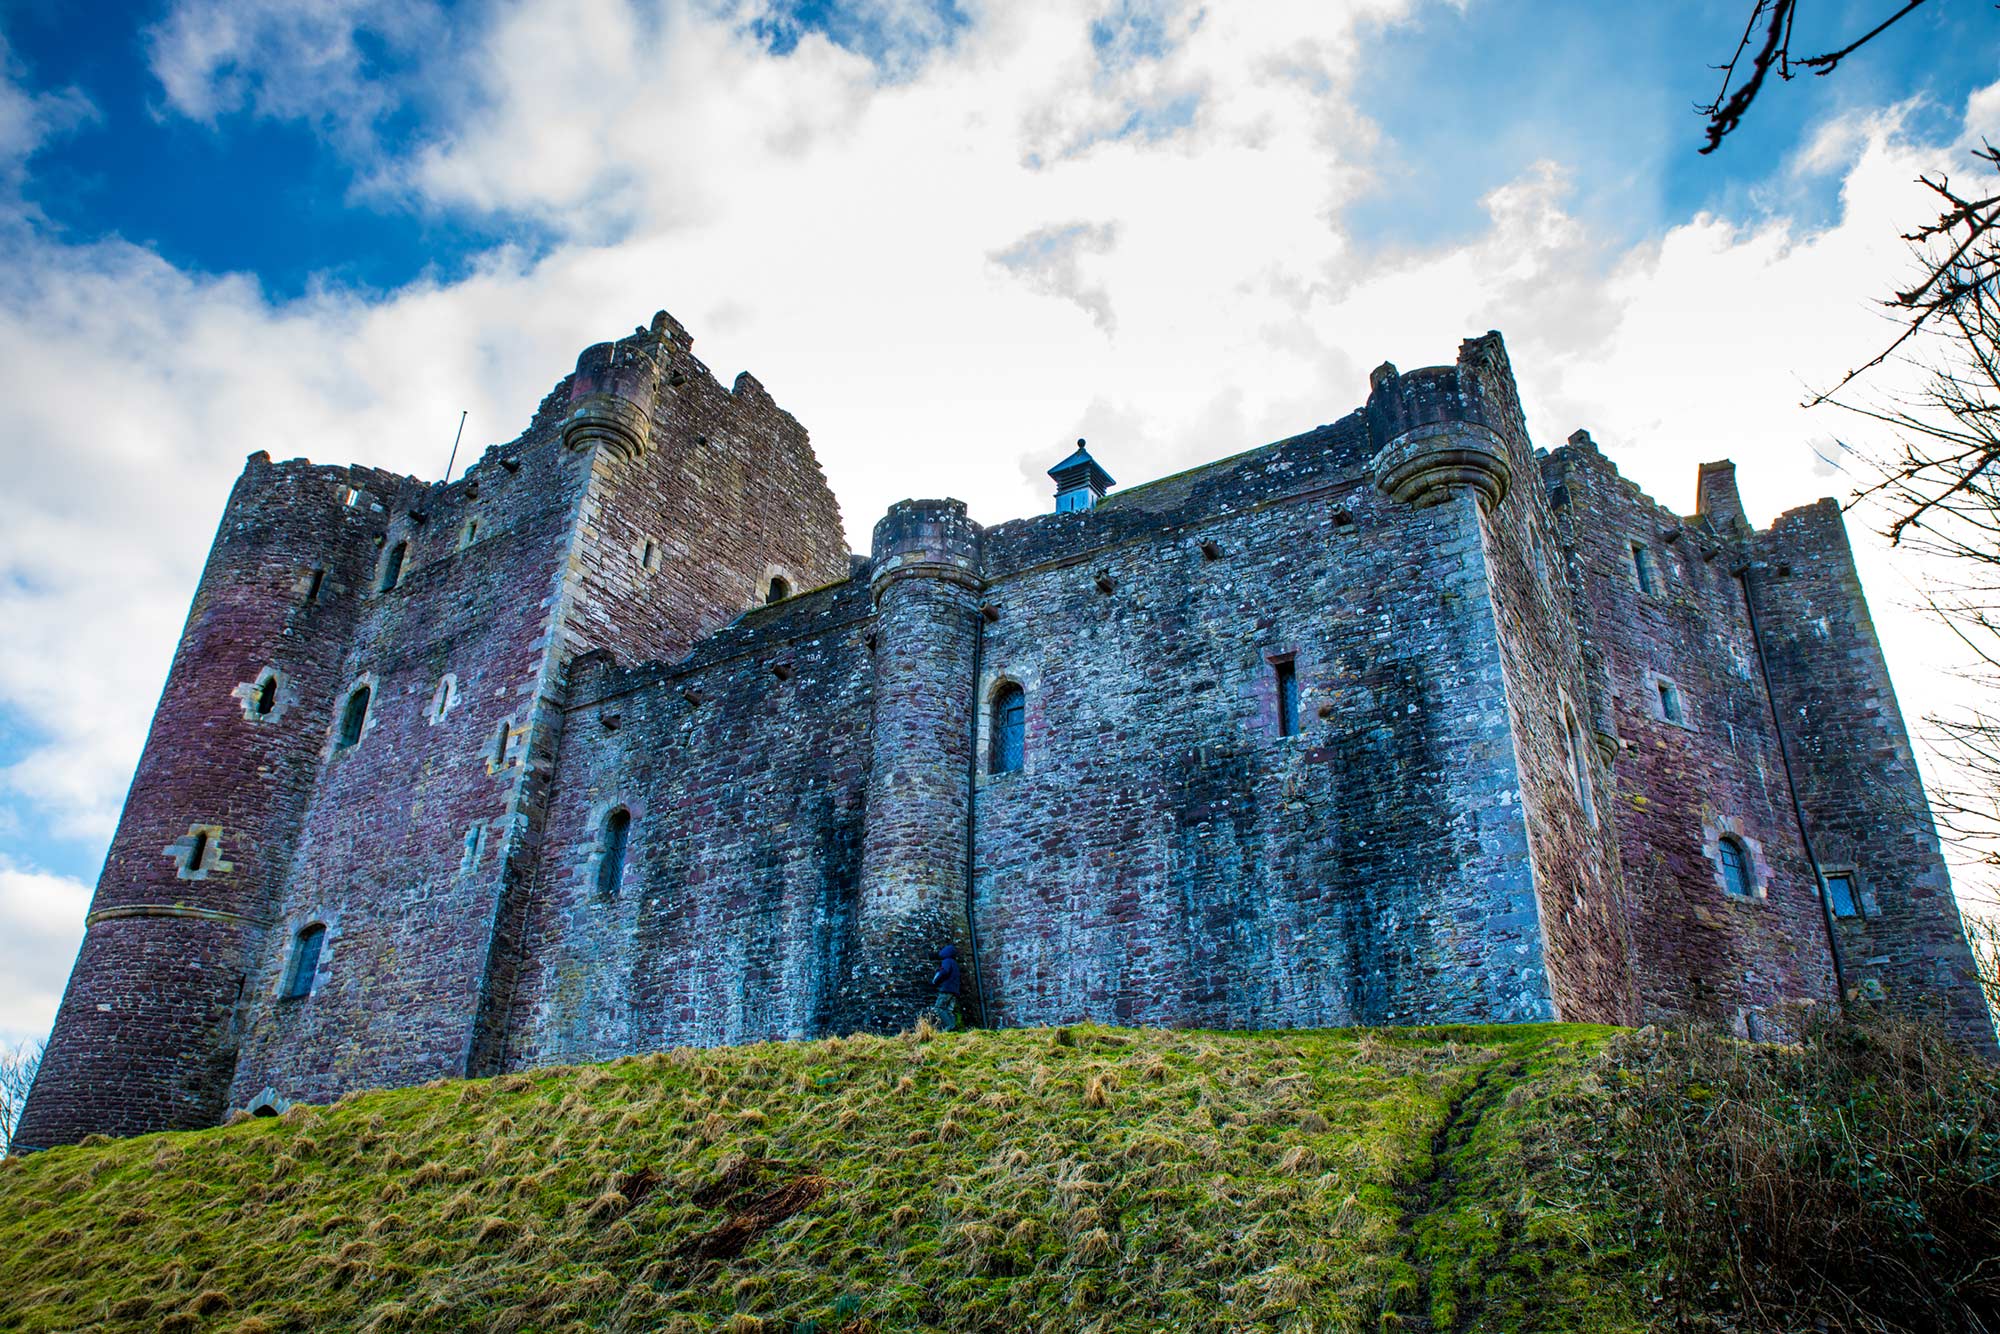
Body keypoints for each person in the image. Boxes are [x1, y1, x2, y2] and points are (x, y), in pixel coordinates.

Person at [931, 944, 962, 1031]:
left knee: (939, 1008)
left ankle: (950, 1026)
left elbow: (944, 971)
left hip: (947, 989)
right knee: (949, 1010)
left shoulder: (947, 961)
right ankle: (953, 1029)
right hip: (955, 991)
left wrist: (935, 980)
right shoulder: (954, 963)